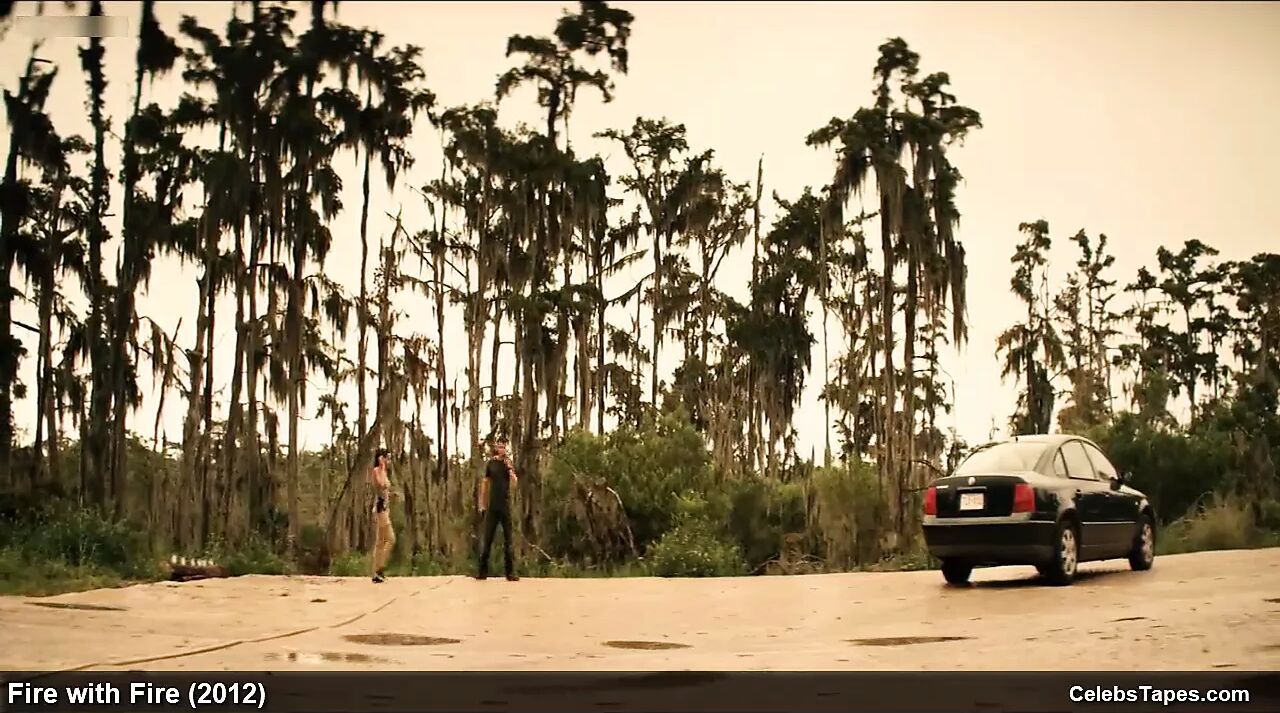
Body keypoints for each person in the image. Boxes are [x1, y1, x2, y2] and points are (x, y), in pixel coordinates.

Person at [477, 440, 519, 581]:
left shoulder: (508, 464)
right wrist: (482, 503)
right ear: (496, 448)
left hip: (505, 506)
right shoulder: (491, 464)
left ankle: (510, 573)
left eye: (504, 447)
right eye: (499, 447)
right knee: (487, 538)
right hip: (493, 506)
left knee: (508, 540)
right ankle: (482, 572)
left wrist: (510, 470)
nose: (502, 449)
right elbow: (485, 483)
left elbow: (515, 482)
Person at [370, 448, 395, 583]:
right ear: (381, 458)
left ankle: (376, 572)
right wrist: (382, 466)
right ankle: (380, 567)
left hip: (386, 507)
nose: (388, 461)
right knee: (391, 539)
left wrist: (392, 495)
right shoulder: (376, 471)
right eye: (387, 458)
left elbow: (386, 489)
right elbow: (381, 484)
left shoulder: (384, 472)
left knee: (380, 542)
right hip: (381, 508)